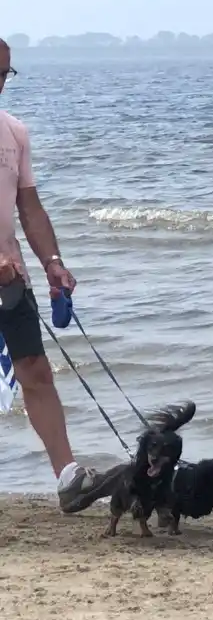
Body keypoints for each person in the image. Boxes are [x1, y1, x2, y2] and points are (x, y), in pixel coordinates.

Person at [0, 38, 117, 512]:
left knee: (35, 369)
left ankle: (69, 478)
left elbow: (29, 207)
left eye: (4, 74)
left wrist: (52, 263)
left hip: (11, 278)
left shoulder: (14, 132)